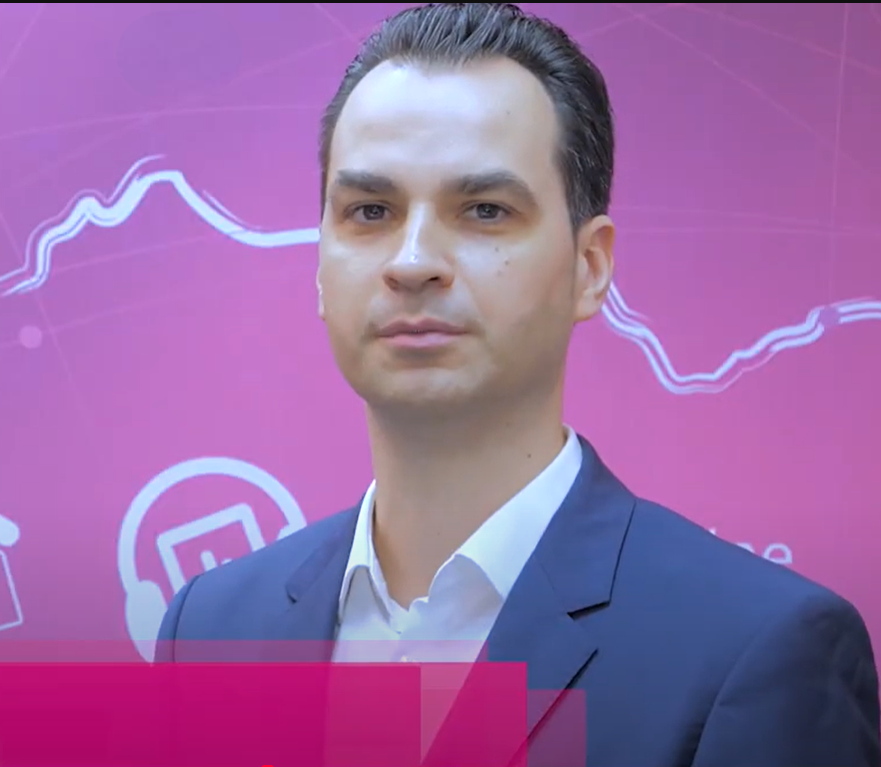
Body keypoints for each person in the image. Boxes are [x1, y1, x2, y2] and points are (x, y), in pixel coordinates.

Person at [157, 3, 880, 764]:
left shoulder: (755, 648)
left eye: (483, 211)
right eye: (369, 210)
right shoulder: (209, 630)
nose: (411, 261)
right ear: (319, 263)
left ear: (588, 267)